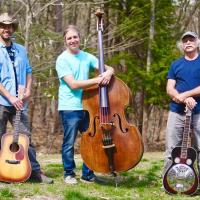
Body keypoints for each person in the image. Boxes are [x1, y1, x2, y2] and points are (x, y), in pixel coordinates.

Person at [55, 25, 114, 184]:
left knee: (91, 141)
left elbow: (109, 68)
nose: (73, 40)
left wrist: (108, 72)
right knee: (69, 142)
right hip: (69, 107)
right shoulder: (62, 59)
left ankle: (88, 174)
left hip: (88, 107)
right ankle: (69, 174)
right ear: (65, 41)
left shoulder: (87, 56)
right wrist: (97, 80)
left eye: (75, 37)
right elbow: (73, 84)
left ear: (79, 38)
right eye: (69, 38)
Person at [0, 12, 53, 184]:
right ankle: (3, 172)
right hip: (2, 102)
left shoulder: (21, 49)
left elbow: (29, 71)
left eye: (9, 26)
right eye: (3, 26)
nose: (6, 29)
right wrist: (10, 97)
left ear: (13, 28)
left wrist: (28, 89)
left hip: (20, 103)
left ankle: (35, 173)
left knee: (25, 138)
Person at [163, 31, 200, 177]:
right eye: (185, 41)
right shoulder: (176, 64)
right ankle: (168, 181)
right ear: (182, 45)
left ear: (197, 43)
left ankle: (196, 183)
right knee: (171, 148)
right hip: (177, 112)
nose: (188, 43)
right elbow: (169, 88)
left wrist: (185, 94)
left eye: (192, 40)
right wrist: (184, 100)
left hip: (198, 113)